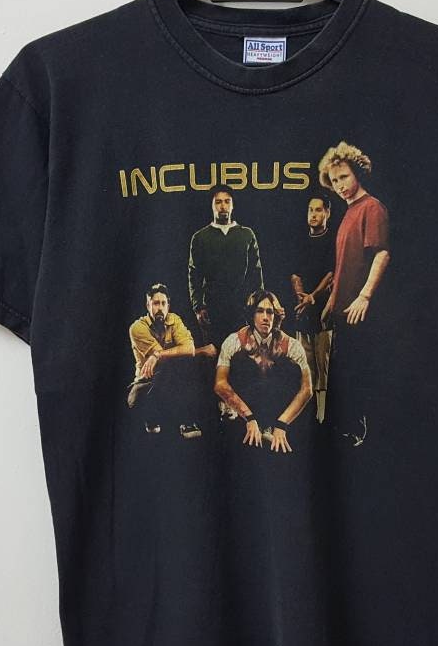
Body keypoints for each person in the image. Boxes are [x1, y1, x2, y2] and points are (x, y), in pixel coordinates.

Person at [318, 141, 390, 447]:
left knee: (357, 373)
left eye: (344, 177)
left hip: (359, 310)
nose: (339, 185)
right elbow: (343, 264)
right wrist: (330, 302)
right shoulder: (348, 212)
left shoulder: (372, 208)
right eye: (334, 181)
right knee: (342, 373)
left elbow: (381, 253)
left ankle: (361, 436)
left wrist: (365, 296)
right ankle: (344, 432)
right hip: (342, 309)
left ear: (358, 172)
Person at [214, 290, 312, 453]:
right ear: (252, 315)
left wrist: (282, 423)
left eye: (270, 312)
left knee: (289, 365)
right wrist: (249, 417)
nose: (265, 317)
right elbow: (220, 384)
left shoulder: (292, 345)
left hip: (278, 412)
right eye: (260, 311)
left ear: (276, 316)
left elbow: (307, 389)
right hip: (244, 412)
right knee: (241, 361)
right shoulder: (233, 341)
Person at [187, 189, 265, 353]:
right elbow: (194, 274)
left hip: (242, 309)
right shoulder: (200, 237)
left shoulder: (246, 234)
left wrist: (259, 304)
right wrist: (198, 307)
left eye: (227, 201)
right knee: (214, 355)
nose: (223, 206)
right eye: (218, 202)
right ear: (212, 206)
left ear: (232, 205)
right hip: (212, 309)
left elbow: (256, 273)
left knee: (242, 355)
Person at [126, 283, 204, 439]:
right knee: (174, 363)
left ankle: (185, 421)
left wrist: (157, 355)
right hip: (146, 385)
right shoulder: (137, 328)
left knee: (185, 363)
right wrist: (168, 353)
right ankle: (152, 417)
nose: (160, 308)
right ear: (148, 305)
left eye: (163, 303)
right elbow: (167, 360)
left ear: (168, 305)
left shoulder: (174, 320)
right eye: (156, 303)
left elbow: (189, 349)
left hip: (170, 382)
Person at [288, 195, 335, 423]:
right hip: (303, 313)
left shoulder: (333, 240)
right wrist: (301, 297)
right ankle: (306, 416)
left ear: (327, 213)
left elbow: (331, 274)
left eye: (318, 210)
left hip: (324, 313)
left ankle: (322, 416)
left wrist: (313, 297)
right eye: (310, 210)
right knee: (305, 366)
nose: (313, 215)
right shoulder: (300, 240)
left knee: (322, 366)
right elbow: (295, 274)